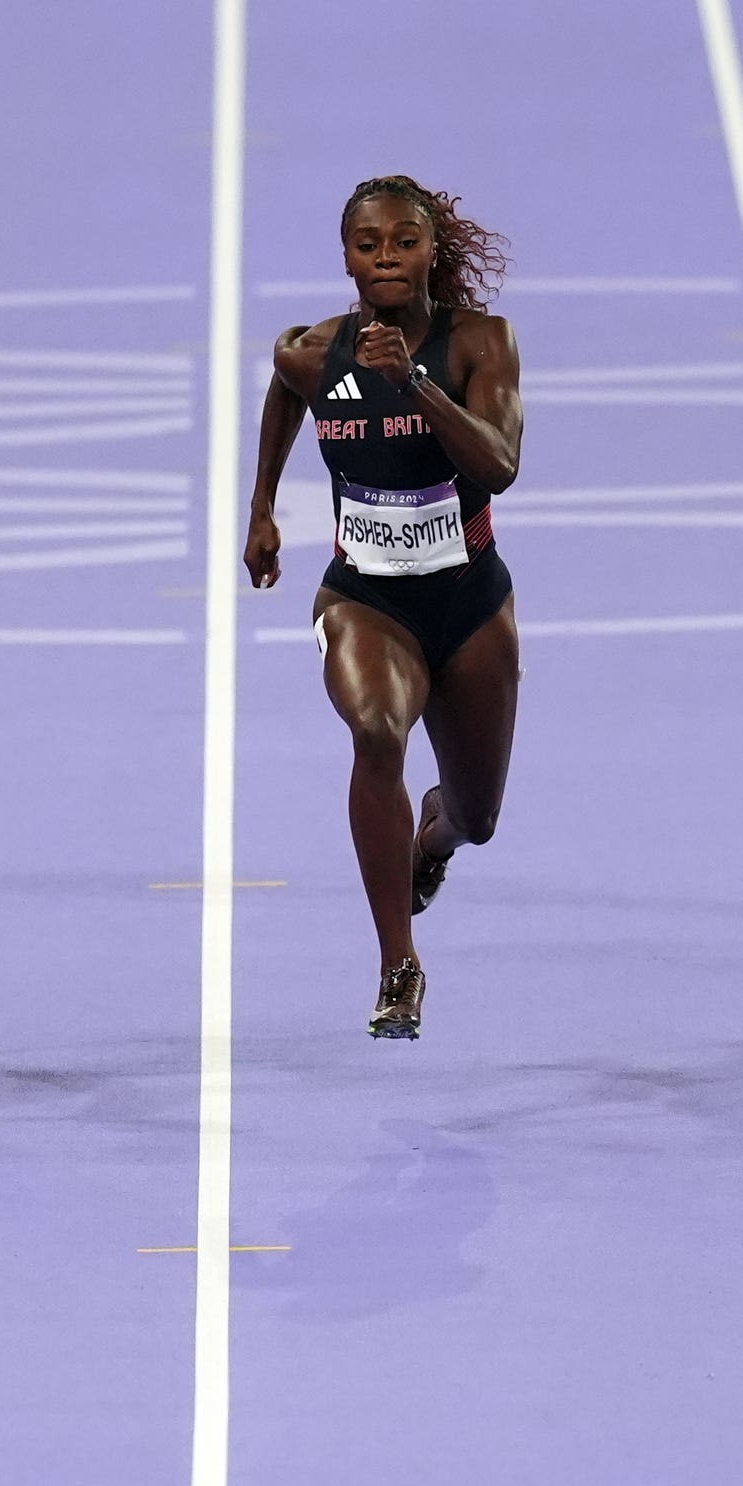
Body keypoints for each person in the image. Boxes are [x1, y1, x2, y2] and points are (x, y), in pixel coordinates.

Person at [245, 175, 523, 1039]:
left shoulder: (480, 342)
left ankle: (432, 843)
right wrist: (261, 509)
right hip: (365, 597)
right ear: (348, 258)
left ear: (430, 249)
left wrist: (418, 388)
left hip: (470, 601)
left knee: (476, 817)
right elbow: (287, 388)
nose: (388, 258)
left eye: (404, 242)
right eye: (370, 245)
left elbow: (499, 465)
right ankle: (398, 964)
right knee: (376, 731)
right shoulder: (315, 349)